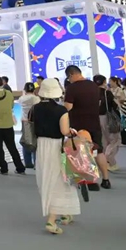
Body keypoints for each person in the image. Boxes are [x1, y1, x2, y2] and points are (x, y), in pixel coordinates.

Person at [33, 78, 80, 235]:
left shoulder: (35, 108)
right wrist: (72, 132)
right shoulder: (61, 110)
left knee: (47, 178)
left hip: (41, 146)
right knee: (59, 180)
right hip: (56, 147)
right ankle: (51, 220)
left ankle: (65, 212)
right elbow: (64, 131)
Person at [64, 65, 110, 190]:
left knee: (82, 153)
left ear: (71, 75)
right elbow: (98, 103)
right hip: (94, 123)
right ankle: (106, 179)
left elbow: (68, 107)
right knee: (98, 151)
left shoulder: (72, 88)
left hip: (79, 125)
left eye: (68, 78)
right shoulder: (93, 85)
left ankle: (88, 181)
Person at [0, 76, 25, 175]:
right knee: (12, 147)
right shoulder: (9, 94)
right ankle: (19, 167)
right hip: (8, 124)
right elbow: (11, 106)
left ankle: (3, 168)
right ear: (2, 84)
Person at [94, 75, 121, 172]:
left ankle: (102, 162)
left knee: (103, 141)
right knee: (115, 140)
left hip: (95, 119)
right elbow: (115, 105)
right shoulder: (107, 93)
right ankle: (109, 160)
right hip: (108, 118)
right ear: (104, 82)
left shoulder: (91, 93)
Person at [19, 83, 40, 169]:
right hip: (35, 121)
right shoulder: (36, 98)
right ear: (34, 89)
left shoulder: (21, 98)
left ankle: (27, 162)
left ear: (25, 89)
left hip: (24, 122)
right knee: (35, 142)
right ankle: (36, 163)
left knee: (26, 141)